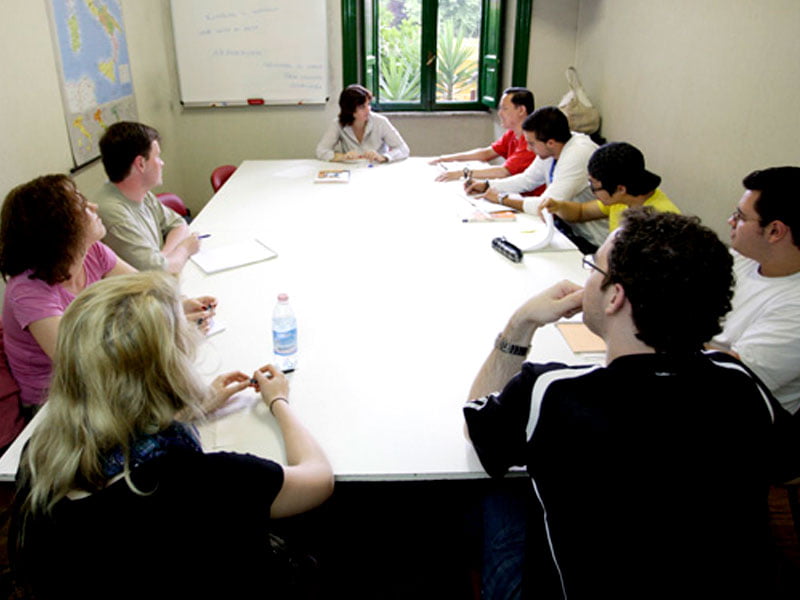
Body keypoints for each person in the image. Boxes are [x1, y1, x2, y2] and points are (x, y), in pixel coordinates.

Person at [464, 209, 800, 598]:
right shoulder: (740, 383)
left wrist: (520, 324)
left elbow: (476, 425)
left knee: (496, 492)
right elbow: (787, 466)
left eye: (593, 269)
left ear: (615, 297)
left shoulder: (550, 390)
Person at [10, 271, 334, 598]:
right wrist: (279, 400)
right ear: (170, 369)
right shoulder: (197, 482)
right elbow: (318, 478)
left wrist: (190, 407)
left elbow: (120, 429)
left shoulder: (41, 453)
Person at [0, 175, 217, 414]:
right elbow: (84, 362)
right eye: (82, 206)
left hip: (102, 377)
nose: (94, 207)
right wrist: (169, 323)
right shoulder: (27, 291)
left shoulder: (93, 251)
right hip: (54, 402)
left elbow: (146, 288)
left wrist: (180, 305)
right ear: (60, 230)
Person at [709, 166, 800, 414]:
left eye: (740, 217)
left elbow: (728, 379)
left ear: (775, 231)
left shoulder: (795, 308)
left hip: (739, 412)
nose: (731, 221)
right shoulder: (745, 257)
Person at [466, 106, 607, 250]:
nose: (528, 148)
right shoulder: (553, 147)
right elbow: (527, 179)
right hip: (569, 230)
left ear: (550, 142)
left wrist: (502, 199)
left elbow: (545, 206)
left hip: (594, 241)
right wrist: (487, 185)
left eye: (531, 144)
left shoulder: (578, 154)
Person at [92, 121, 200, 272]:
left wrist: (162, 257)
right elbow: (155, 273)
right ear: (141, 164)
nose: (162, 163)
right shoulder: (114, 215)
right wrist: (184, 249)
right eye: (157, 156)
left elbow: (178, 224)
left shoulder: (140, 192)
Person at [539, 141, 680, 231]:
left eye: (595, 187)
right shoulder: (622, 199)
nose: (593, 192)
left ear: (620, 189)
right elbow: (581, 212)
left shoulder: (660, 220)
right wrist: (558, 206)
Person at [430, 87, 536, 183]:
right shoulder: (512, 133)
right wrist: (444, 159)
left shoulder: (532, 140)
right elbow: (486, 153)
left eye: (504, 108)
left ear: (521, 110)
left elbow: (504, 171)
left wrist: (462, 173)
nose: (500, 113)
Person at [316, 84, 409, 163]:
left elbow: (403, 149)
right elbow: (321, 151)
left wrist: (384, 157)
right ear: (349, 110)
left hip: (377, 169)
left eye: (368, 104)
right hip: (352, 171)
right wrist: (342, 156)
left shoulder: (380, 122)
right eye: (362, 107)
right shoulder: (338, 123)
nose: (368, 109)